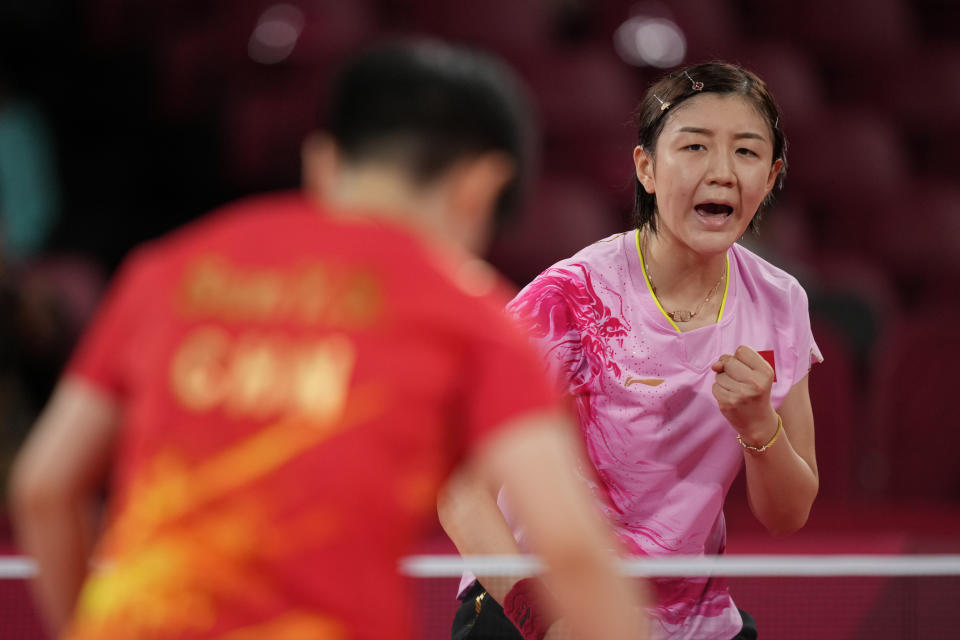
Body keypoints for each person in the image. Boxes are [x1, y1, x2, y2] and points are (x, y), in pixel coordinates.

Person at [9, 40, 647, 640]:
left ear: (323, 160)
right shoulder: (472, 317)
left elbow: (44, 486)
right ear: (482, 186)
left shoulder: (168, 270)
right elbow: (569, 549)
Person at [440, 61, 821, 640]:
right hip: (540, 606)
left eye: (746, 153)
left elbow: (787, 515)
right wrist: (547, 620)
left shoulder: (779, 302)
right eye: (694, 147)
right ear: (646, 167)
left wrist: (758, 424)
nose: (722, 172)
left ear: (770, 179)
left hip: (691, 621)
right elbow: (461, 488)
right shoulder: (567, 298)